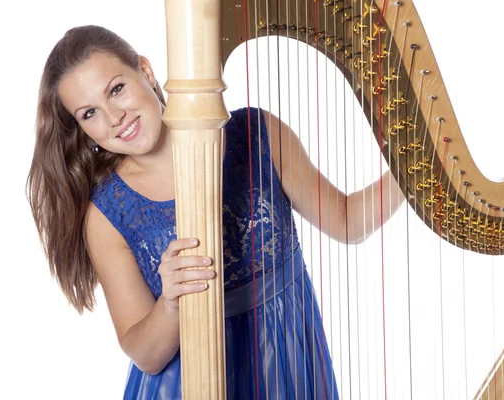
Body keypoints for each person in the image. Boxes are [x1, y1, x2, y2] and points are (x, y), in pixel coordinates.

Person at [27, 25, 404, 399]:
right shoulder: (108, 212)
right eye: (89, 112)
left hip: (289, 362)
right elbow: (145, 355)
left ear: (144, 70)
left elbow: (348, 221)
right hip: (187, 384)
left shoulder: (258, 134)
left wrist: (415, 168)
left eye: (117, 89)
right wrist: (170, 302)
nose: (113, 117)